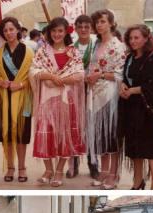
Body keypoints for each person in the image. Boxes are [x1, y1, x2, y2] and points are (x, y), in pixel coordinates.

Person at [30, 17, 86, 188]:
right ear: (49, 32)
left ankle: (60, 170)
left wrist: (63, 80)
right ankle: (48, 170)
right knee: (46, 132)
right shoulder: (42, 52)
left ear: (66, 32)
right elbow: (33, 70)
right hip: (47, 99)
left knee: (64, 134)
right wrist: (49, 76)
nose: (56, 34)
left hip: (66, 100)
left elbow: (80, 73)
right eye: (53, 31)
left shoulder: (73, 52)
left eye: (60, 31)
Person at [86, 9, 126, 189]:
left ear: (111, 23)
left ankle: (113, 174)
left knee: (111, 134)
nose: (99, 25)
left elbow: (120, 73)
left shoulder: (118, 45)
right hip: (94, 94)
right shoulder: (95, 44)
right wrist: (89, 76)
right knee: (100, 134)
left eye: (103, 21)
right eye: (97, 22)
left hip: (110, 94)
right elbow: (91, 66)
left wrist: (100, 75)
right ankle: (103, 170)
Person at [119, 24, 153, 190]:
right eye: (130, 38)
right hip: (130, 109)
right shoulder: (130, 57)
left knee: (150, 148)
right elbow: (125, 77)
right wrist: (123, 85)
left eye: (137, 38)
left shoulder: (152, 57)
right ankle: (137, 182)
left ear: (145, 38)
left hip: (146, 109)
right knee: (134, 148)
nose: (133, 41)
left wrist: (133, 90)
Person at [0, 17, 34, 183]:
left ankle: (22, 167)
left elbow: (35, 75)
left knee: (22, 135)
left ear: (18, 29)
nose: (9, 33)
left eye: (11, 29)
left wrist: (22, 84)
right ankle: (10, 167)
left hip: (24, 97)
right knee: (7, 135)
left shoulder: (29, 52)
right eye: (5, 30)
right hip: (3, 96)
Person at [71, 14, 99, 179]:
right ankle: (73, 164)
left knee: (91, 130)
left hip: (92, 92)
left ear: (91, 29)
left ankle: (93, 164)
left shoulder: (97, 46)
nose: (83, 30)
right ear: (75, 28)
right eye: (80, 27)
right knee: (74, 128)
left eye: (86, 27)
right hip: (74, 92)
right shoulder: (70, 47)